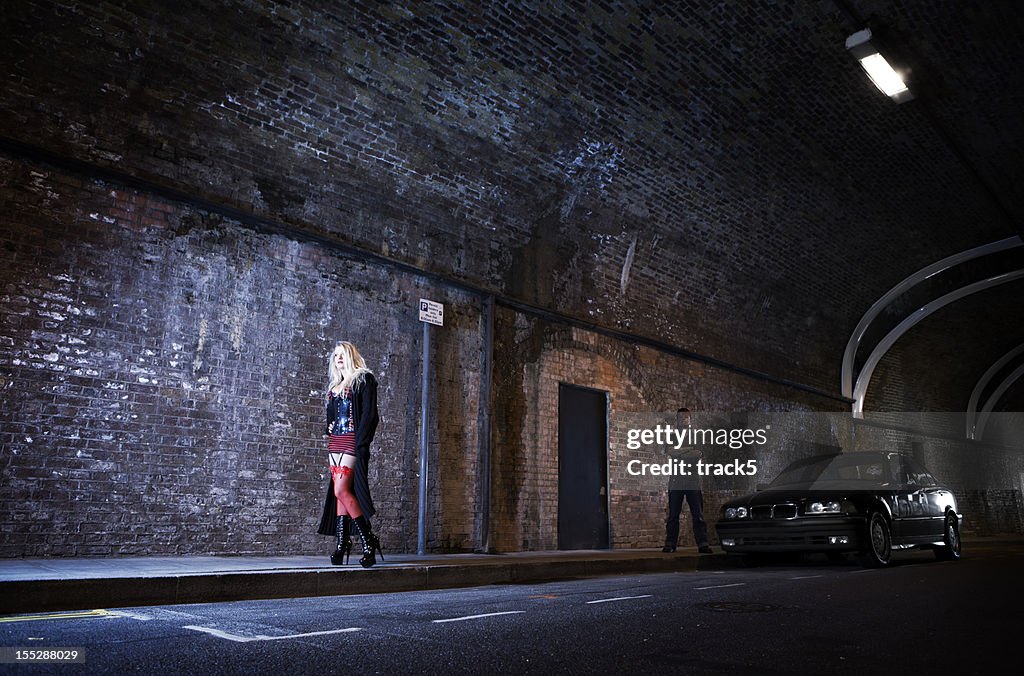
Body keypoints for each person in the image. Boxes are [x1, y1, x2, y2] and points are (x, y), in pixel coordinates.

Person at [316, 341, 384, 567]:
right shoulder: (335, 385)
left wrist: (361, 442)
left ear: (352, 355)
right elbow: (332, 417)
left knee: (341, 489)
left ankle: (368, 540)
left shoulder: (364, 379)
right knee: (340, 493)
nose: (339, 358)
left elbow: (370, 415)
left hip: (352, 442)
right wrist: (329, 426)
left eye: (343, 354)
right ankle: (343, 542)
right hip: (336, 443)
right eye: (336, 355)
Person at [662, 407, 712, 554]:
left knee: (698, 515)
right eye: (680, 417)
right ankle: (670, 544)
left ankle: (703, 543)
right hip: (676, 480)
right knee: (673, 515)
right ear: (677, 419)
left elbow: (697, 454)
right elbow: (670, 452)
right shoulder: (672, 435)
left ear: (690, 419)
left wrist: (680, 452)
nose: (683, 419)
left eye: (686, 417)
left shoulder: (696, 435)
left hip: (693, 480)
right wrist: (687, 449)